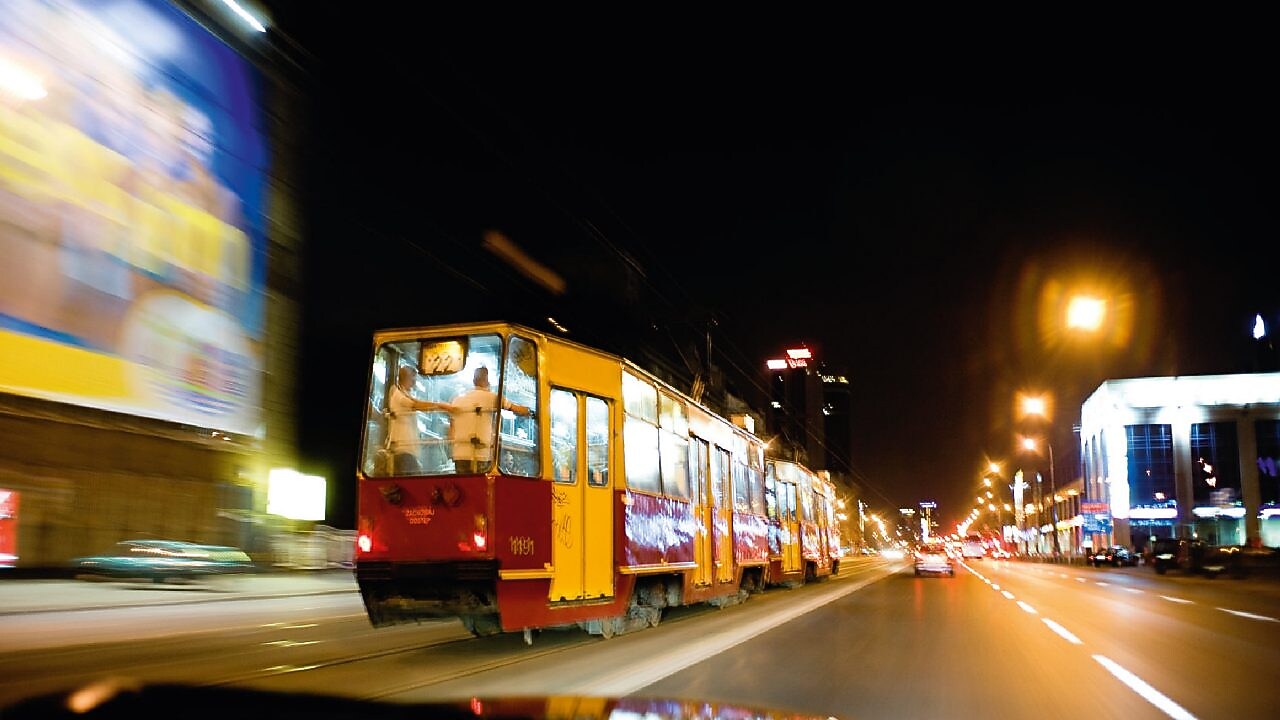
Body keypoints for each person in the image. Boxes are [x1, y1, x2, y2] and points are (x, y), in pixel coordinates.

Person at [433, 366, 532, 474]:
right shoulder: (492, 397)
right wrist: (531, 412)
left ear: (473, 381)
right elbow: (516, 409)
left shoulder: (457, 400)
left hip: (459, 454)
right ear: (487, 380)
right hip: (481, 455)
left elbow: (451, 430)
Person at [386, 365, 439, 474]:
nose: (414, 382)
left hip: (408, 449)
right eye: (413, 378)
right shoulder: (398, 394)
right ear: (405, 378)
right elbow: (415, 405)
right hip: (402, 448)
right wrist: (440, 406)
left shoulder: (405, 393)